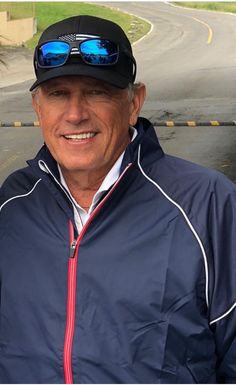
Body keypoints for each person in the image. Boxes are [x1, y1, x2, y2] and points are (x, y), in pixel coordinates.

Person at [0, 14, 236, 384]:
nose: (75, 114)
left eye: (97, 91)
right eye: (58, 93)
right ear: (37, 107)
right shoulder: (12, 206)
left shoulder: (208, 205)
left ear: (134, 102)